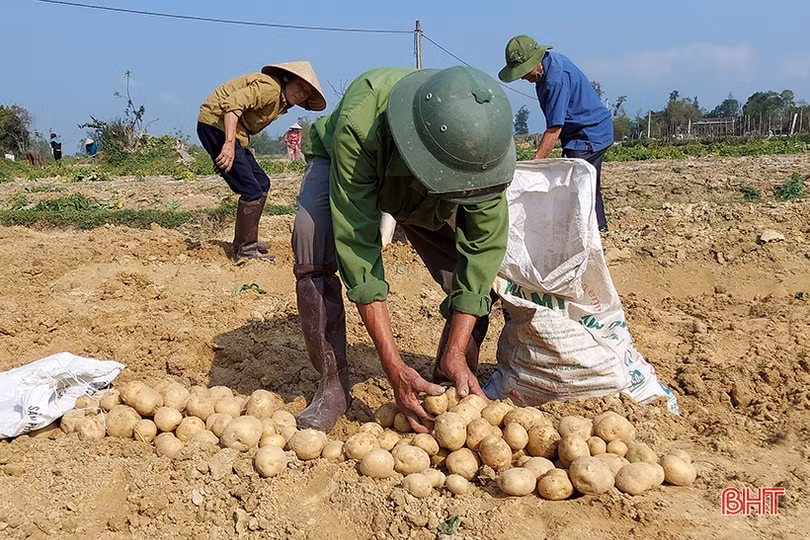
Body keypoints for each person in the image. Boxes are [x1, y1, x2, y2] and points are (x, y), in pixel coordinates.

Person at [292, 66, 516, 432]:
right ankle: (332, 385)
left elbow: (483, 250)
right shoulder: (361, 121)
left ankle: (451, 369)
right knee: (310, 239)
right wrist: (392, 364)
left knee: (476, 282)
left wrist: (456, 350)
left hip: (430, 191)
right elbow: (358, 245)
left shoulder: (481, 149)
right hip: (347, 161)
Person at [197, 61, 326, 260]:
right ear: (288, 80)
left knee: (262, 182)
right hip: (216, 126)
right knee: (251, 190)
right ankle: (246, 251)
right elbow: (232, 106)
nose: (301, 93)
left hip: (231, 131)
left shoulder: (279, 100)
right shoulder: (270, 90)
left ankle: (245, 241)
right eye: (299, 86)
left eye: (306, 92)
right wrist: (229, 144)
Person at [499, 35, 613, 231]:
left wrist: (534, 165)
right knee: (578, 183)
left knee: (580, 184)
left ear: (535, 61)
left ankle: (594, 229)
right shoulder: (547, 66)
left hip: (590, 133)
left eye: (524, 72)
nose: (523, 77)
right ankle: (589, 226)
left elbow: (554, 129)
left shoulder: (555, 79)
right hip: (575, 134)